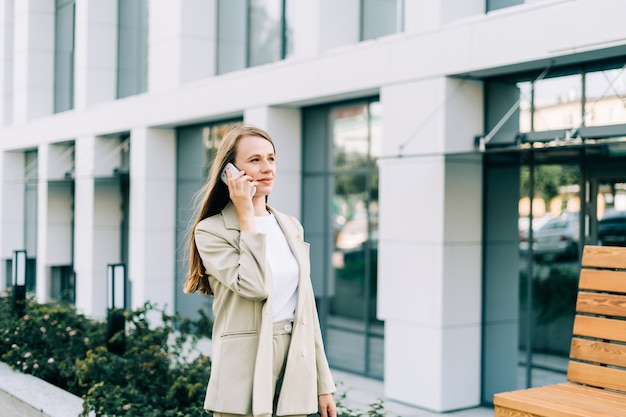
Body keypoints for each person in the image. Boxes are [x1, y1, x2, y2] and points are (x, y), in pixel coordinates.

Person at [183, 123, 337, 417]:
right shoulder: (212, 231)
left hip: (295, 363)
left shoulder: (290, 226)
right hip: (244, 370)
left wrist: (323, 384)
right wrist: (245, 214)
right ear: (230, 172)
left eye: (271, 158)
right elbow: (255, 286)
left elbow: (307, 311)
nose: (267, 168)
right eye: (255, 160)